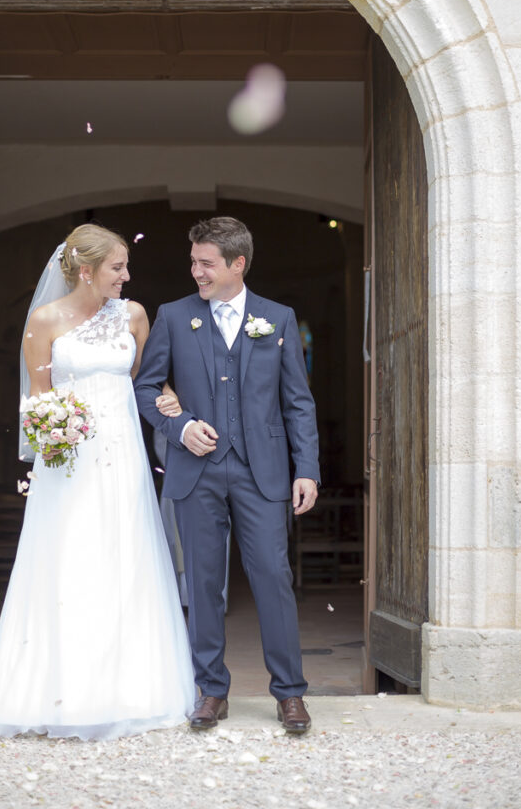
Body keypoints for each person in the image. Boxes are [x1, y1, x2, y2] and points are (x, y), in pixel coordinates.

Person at [0, 224, 195, 740]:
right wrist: (51, 430)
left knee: (126, 554)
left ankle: (132, 688)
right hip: (66, 462)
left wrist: (172, 404)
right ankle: (55, 690)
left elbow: (148, 383)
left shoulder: (134, 315)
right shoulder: (43, 321)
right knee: (68, 556)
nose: (127, 275)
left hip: (123, 455)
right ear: (86, 270)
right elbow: (38, 397)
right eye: (118, 267)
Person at [134, 216, 320, 734]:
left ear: (237, 264)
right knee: (203, 582)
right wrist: (181, 426)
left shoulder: (277, 318)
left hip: (263, 473)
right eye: (193, 262)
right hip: (196, 473)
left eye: (205, 263)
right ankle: (211, 689)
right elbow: (146, 391)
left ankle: (289, 693)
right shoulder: (173, 316)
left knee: (273, 578)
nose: (196, 271)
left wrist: (306, 469)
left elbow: (297, 403)